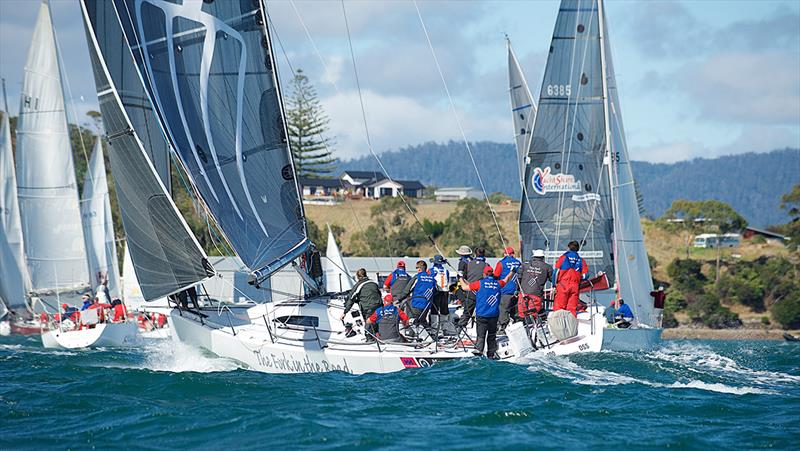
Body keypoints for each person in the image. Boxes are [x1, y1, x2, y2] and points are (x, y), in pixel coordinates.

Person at [459, 266, 515, 358]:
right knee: (491, 336)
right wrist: (512, 271)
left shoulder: (479, 283)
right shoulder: (498, 283)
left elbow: (465, 287)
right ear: (492, 274)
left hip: (482, 315)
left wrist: (460, 278)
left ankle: (478, 357)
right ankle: (491, 356)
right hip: (494, 315)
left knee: (481, 337)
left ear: (484, 274)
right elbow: (507, 279)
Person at [552, 240, 589, 316]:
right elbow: (586, 275)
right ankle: (571, 325)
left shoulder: (563, 258)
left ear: (569, 248)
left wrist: (554, 284)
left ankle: (559, 325)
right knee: (571, 308)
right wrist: (578, 277)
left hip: (563, 285)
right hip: (575, 285)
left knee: (559, 308)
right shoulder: (581, 260)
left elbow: (556, 273)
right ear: (578, 249)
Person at [457, 247, 488, 328]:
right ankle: (480, 330)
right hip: (481, 292)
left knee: (467, 312)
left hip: (470, 291)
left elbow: (462, 277)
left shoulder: (469, 264)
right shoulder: (486, 265)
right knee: (481, 312)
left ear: (475, 254)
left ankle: (460, 329)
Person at [398, 260, 436, 327]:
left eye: (416, 268)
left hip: (416, 303)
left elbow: (407, 290)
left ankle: (411, 334)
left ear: (419, 268)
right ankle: (427, 333)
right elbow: (435, 291)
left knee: (412, 321)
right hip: (427, 305)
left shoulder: (417, 277)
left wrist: (399, 299)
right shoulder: (432, 279)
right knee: (422, 320)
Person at [518, 249, 552, 319]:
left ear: (533, 257)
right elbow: (553, 279)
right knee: (533, 314)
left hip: (523, 293)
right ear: (543, 257)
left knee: (522, 313)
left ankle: (523, 326)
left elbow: (518, 278)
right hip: (536, 294)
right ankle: (532, 327)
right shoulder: (547, 267)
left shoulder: (524, 265)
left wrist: (517, 290)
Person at [494, 246, 521, 333]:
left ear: (505, 254)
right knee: (515, 311)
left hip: (505, 290)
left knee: (503, 309)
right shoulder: (519, 263)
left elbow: (496, 276)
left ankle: (503, 328)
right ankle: (518, 328)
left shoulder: (501, 263)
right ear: (513, 254)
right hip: (517, 290)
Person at [429, 255, 451, 330]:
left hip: (436, 292)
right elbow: (447, 279)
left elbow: (430, 281)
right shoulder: (446, 270)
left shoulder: (432, 270)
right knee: (444, 310)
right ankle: (444, 328)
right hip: (445, 291)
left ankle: (434, 328)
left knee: (434, 310)